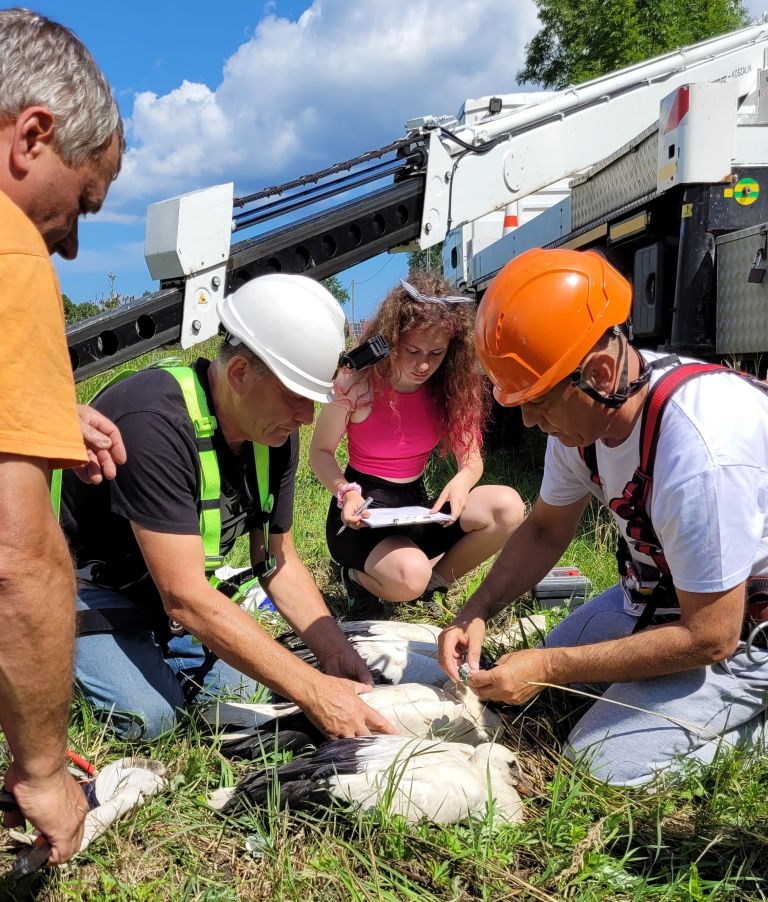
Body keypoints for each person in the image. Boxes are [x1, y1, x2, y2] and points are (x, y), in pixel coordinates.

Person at [439, 247, 768, 787]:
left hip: (743, 629)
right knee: (541, 694)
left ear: (601, 371)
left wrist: (548, 669)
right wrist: (477, 608)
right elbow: (545, 529)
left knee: (601, 766)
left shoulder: (699, 451)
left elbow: (711, 636)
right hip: (656, 596)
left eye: (538, 401)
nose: (527, 421)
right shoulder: (586, 419)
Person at [61, 273, 396, 742]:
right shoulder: (154, 423)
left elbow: (278, 561)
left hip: (166, 600)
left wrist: (335, 654)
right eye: (297, 397)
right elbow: (185, 596)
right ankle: (35, 648)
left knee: (244, 694)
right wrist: (314, 692)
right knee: (151, 722)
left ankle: (151, 654)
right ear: (239, 374)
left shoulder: (272, 429)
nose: (306, 417)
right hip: (88, 589)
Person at [0, 9, 126, 864]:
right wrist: (44, 771)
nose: (74, 245)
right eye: (82, 202)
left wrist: (35, 415)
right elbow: (14, 553)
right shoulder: (12, 254)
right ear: (33, 135)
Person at [309, 272, 525, 618]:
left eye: (436, 353)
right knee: (409, 575)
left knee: (508, 507)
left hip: (415, 508)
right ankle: (358, 578)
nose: (424, 364)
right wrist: (346, 491)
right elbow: (319, 453)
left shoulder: (451, 387)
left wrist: (463, 481)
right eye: (412, 350)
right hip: (359, 513)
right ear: (392, 339)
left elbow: (471, 462)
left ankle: (431, 586)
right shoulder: (356, 382)